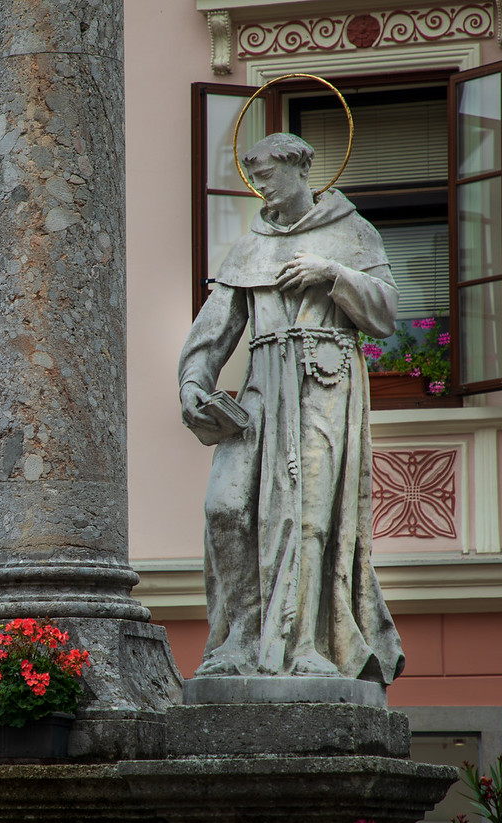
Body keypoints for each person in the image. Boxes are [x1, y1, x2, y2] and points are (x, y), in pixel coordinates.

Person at [178, 133, 405, 684]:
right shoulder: (249, 247)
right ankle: (241, 637)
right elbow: (214, 329)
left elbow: (385, 311)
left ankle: (306, 644)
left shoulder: (351, 231)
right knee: (225, 507)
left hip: (325, 384)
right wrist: (193, 381)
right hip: (261, 389)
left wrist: (333, 274)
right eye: (254, 181)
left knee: (308, 519)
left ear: (301, 169)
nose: (262, 189)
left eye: (268, 178)